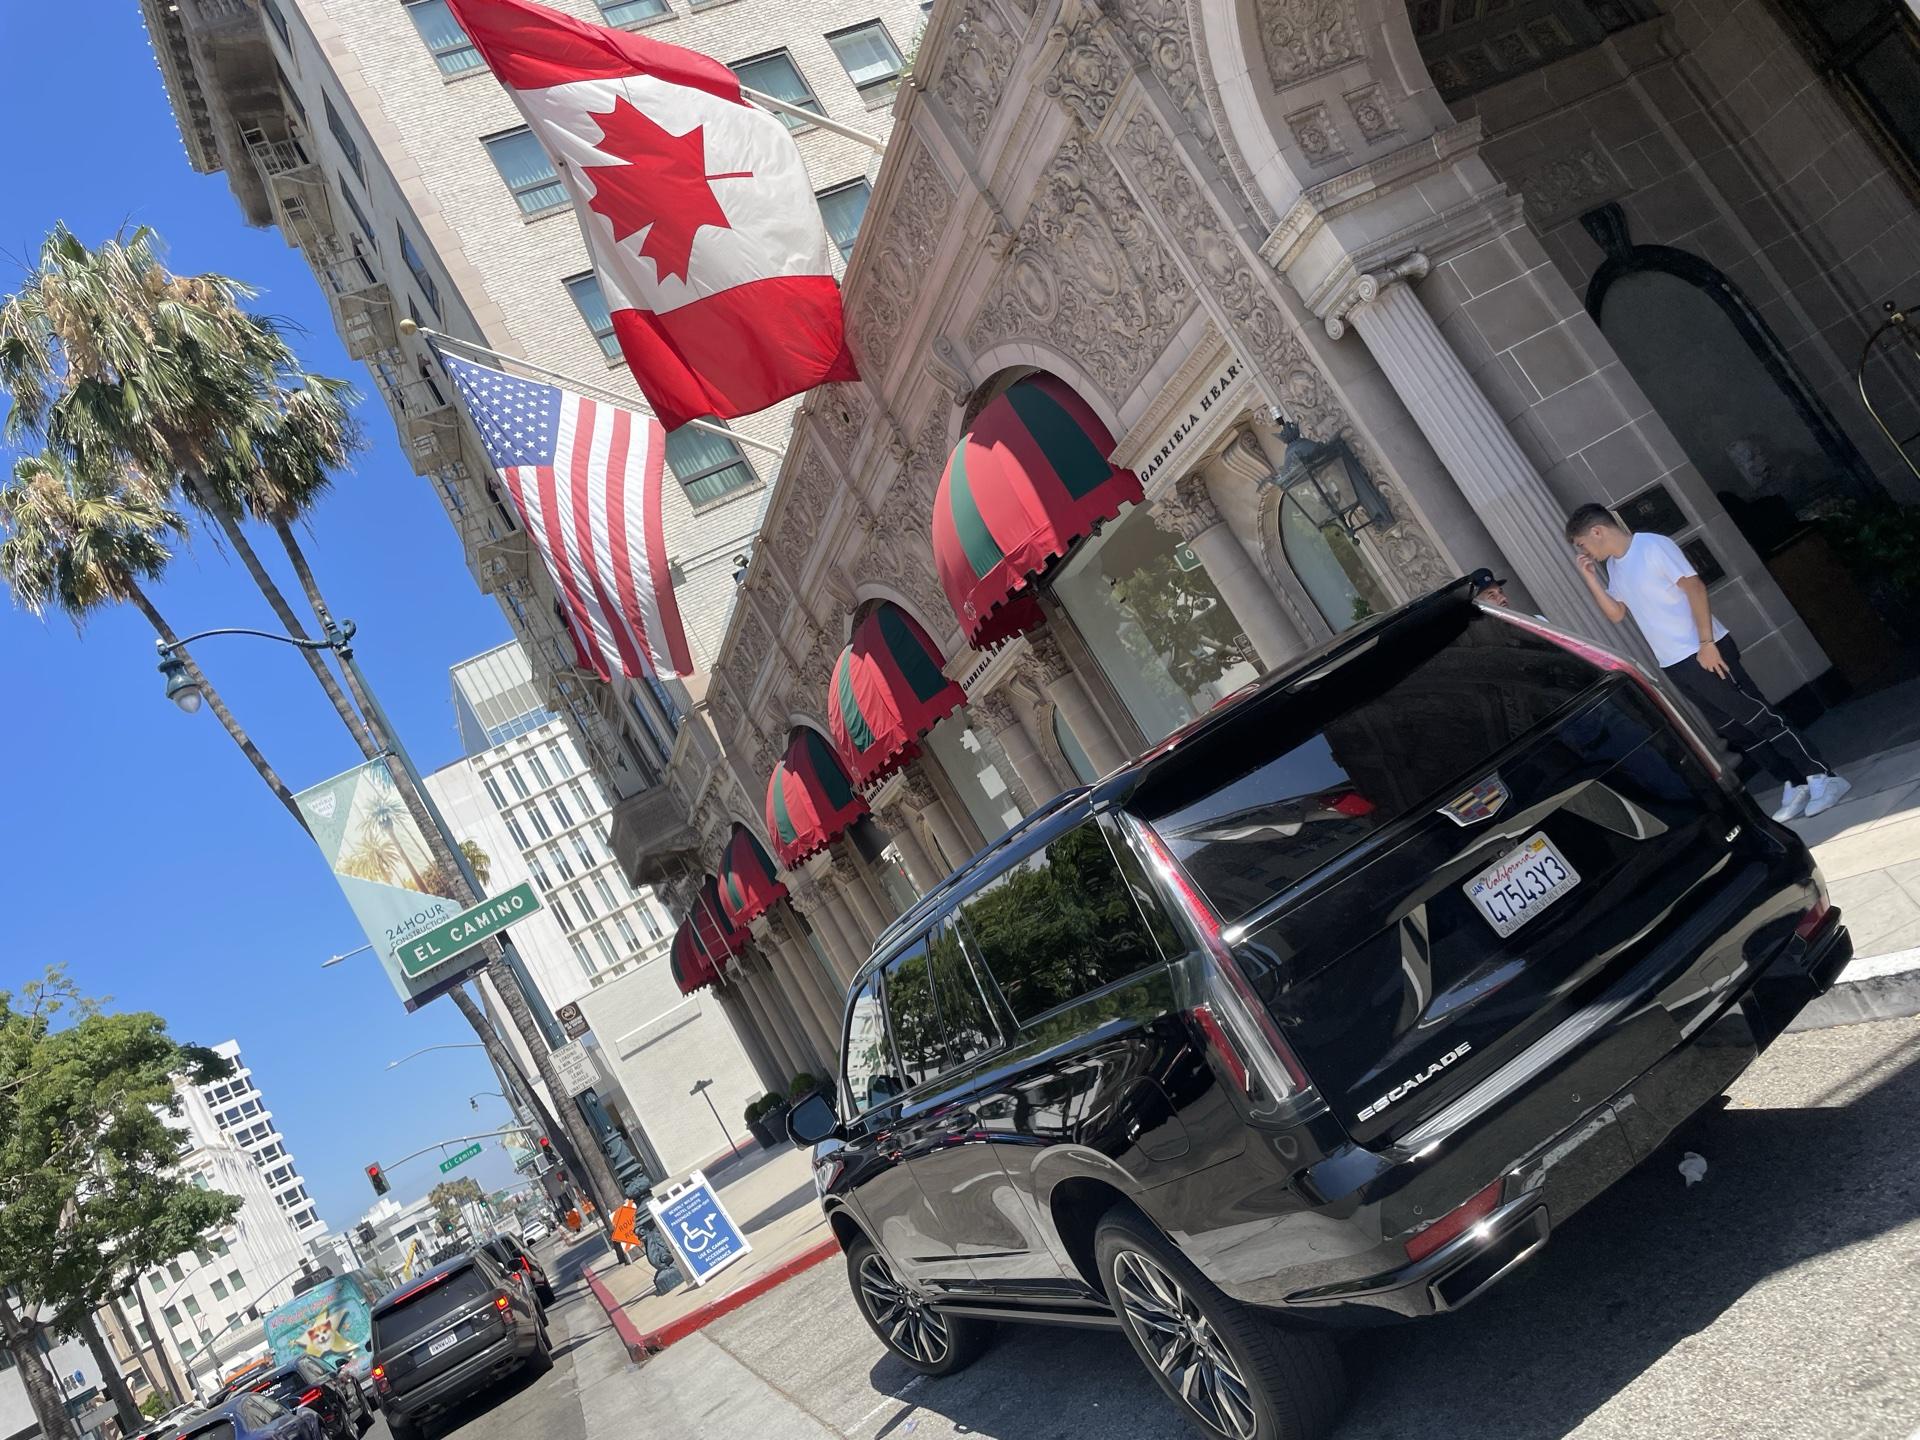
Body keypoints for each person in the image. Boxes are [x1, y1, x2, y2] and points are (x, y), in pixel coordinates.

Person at [1565, 502, 1847, 820]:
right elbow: (1616, 613)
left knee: (1757, 716)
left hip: (1704, 650)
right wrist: (1590, 578)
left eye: (1582, 544)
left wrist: (1706, 642)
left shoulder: (1653, 545)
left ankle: (1823, 776)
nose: (1584, 551)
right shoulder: (1615, 567)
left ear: (1597, 531)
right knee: (1735, 730)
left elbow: (1695, 587)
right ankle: (1794, 783)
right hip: (1675, 663)